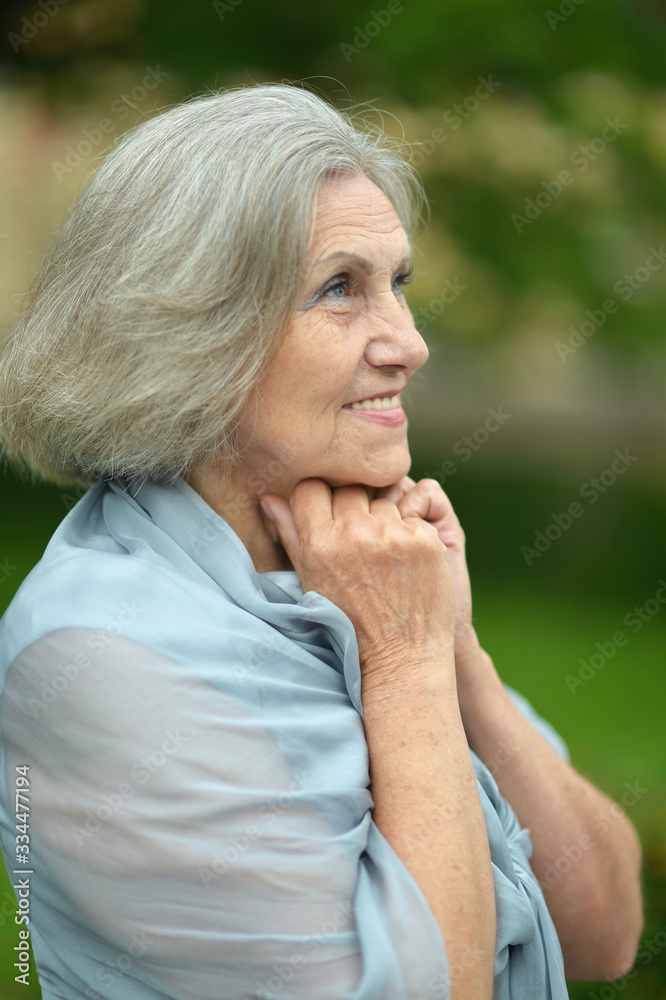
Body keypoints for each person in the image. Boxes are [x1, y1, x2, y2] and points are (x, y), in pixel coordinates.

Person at [0, 82, 642, 1000]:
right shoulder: (100, 657)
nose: (410, 343)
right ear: (190, 333)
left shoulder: (368, 564)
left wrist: (454, 651)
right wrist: (406, 657)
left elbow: (609, 932)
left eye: (399, 284)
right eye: (340, 289)